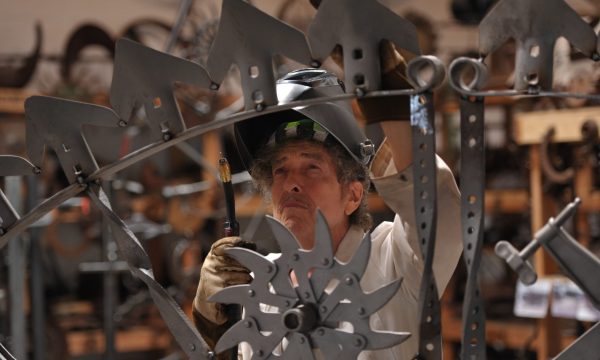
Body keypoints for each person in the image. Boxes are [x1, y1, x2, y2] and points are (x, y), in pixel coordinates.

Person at [193, 47, 462, 359]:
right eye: (280, 169)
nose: (292, 182)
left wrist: (395, 99)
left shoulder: (394, 262)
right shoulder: (260, 284)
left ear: (353, 195)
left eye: (311, 167)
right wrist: (212, 327)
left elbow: (436, 207)